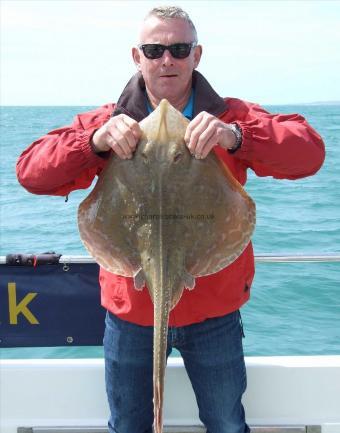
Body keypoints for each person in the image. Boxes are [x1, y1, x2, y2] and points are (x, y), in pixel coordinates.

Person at [16, 6, 325, 433]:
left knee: (226, 424)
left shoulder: (229, 117)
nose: (167, 59)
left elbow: (310, 152)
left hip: (213, 312)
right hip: (131, 316)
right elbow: (30, 172)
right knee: (128, 426)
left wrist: (236, 138)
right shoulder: (108, 122)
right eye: (155, 49)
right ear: (136, 56)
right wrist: (93, 143)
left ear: (196, 56)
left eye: (179, 49)